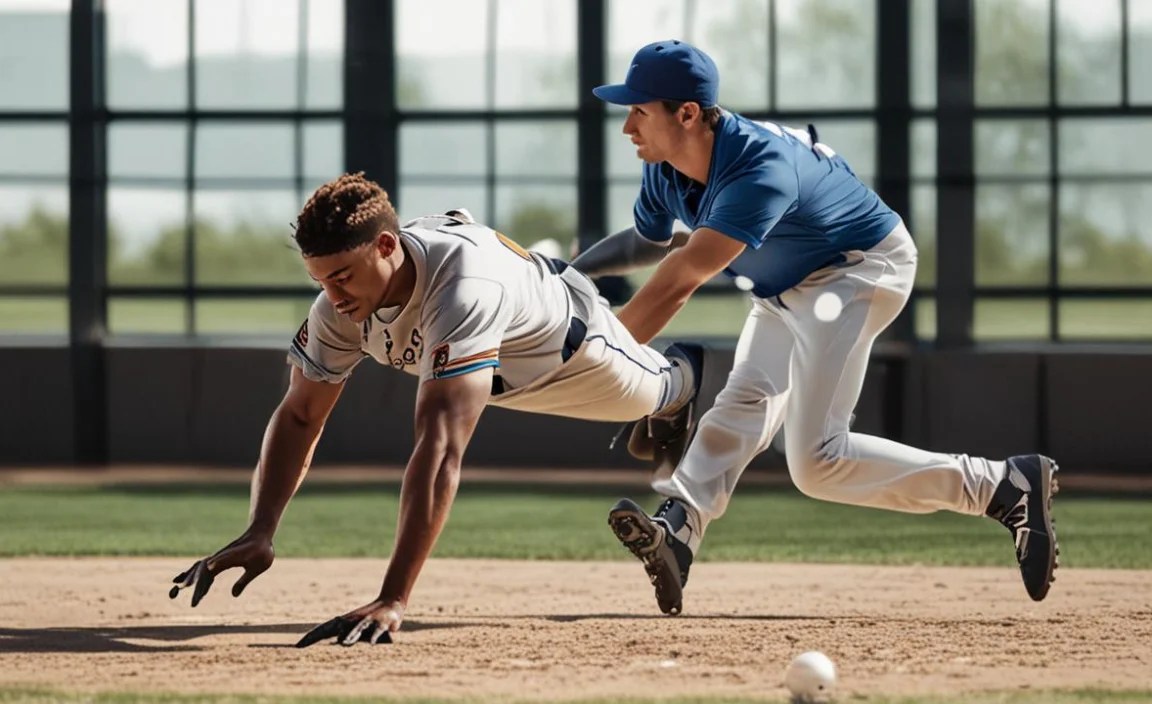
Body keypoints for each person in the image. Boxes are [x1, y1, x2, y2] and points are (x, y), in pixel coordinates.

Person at [570, 40, 1060, 616]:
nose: (627, 125)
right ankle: (679, 528)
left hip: (856, 268)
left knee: (817, 461)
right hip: (784, 282)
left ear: (687, 114)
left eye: (639, 110)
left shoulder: (758, 168)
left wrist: (595, 360)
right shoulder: (665, 169)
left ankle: (1003, 486)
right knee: (745, 400)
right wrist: (571, 274)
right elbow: (649, 243)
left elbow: (681, 276)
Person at [167, 172, 704, 646]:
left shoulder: (462, 285)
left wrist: (392, 598)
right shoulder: (339, 304)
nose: (332, 296)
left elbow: (441, 447)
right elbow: (301, 415)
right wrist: (261, 527)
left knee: (649, 393)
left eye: (343, 276)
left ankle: (683, 378)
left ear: (384, 245)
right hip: (490, 363)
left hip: (571, 351)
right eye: (320, 280)